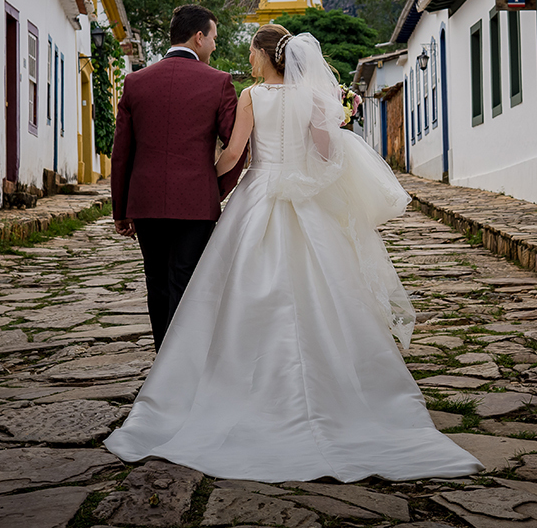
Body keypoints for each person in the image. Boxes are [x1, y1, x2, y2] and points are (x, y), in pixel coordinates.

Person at [104, 24, 483, 482]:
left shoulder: (251, 96)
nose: (248, 59)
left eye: (251, 51)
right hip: (304, 200)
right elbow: (326, 153)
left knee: (239, 289)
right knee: (326, 288)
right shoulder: (315, 97)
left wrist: (208, 180)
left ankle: (232, 381)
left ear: (265, 55)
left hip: (258, 195)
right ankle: (342, 388)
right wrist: (309, 172)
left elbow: (236, 154)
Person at [110, 4, 246, 352]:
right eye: (213, 37)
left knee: (156, 280)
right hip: (196, 202)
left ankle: (163, 358)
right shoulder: (219, 82)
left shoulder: (135, 82)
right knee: (187, 280)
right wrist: (214, 189)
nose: (214, 44)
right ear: (199, 37)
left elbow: (122, 151)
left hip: (146, 201)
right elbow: (236, 145)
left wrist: (120, 209)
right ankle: (184, 360)